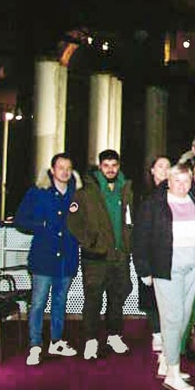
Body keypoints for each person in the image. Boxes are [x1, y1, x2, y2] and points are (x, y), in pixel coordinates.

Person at [134, 164, 195, 390]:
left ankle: (167, 362)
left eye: (186, 180)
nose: (182, 185)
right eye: (176, 180)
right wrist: (144, 269)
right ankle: (173, 374)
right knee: (172, 317)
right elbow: (140, 238)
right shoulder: (153, 204)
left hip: (194, 264)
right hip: (166, 265)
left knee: (184, 317)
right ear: (168, 181)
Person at [15, 153, 82, 366]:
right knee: (38, 303)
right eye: (60, 167)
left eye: (68, 167)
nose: (64, 171)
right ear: (52, 170)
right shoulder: (38, 193)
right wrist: (41, 226)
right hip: (43, 257)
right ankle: (35, 345)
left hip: (67, 258)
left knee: (60, 303)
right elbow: (20, 221)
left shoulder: (77, 194)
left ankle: (56, 341)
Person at [67, 149, 134, 361]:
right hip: (95, 258)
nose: (111, 169)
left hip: (119, 256)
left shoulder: (126, 189)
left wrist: (127, 245)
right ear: (100, 167)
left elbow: (132, 219)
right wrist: (90, 241)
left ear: (119, 166)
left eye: (114, 165)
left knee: (117, 299)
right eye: (106, 165)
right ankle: (91, 340)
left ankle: (114, 335)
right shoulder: (86, 192)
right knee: (93, 300)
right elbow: (72, 221)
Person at [140, 156, 171, 353]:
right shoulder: (143, 194)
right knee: (152, 297)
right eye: (160, 166)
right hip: (149, 253)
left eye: (168, 167)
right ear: (152, 170)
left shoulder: (176, 192)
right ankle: (157, 334)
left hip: (168, 254)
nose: (165, 170)